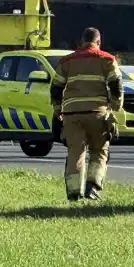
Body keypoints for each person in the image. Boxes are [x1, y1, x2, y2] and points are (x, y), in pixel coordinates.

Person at [51, 27, 123, 202]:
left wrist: (58, 109)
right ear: (98, 42)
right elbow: (116, 85)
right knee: (99, 150)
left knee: (76, 151)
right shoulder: (107, 59)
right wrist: (115, 106)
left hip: (72, 114)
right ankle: (92, 187)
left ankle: (74, 192)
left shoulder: (67, 61)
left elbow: (56, 87)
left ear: (81, 42)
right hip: (97, 113)